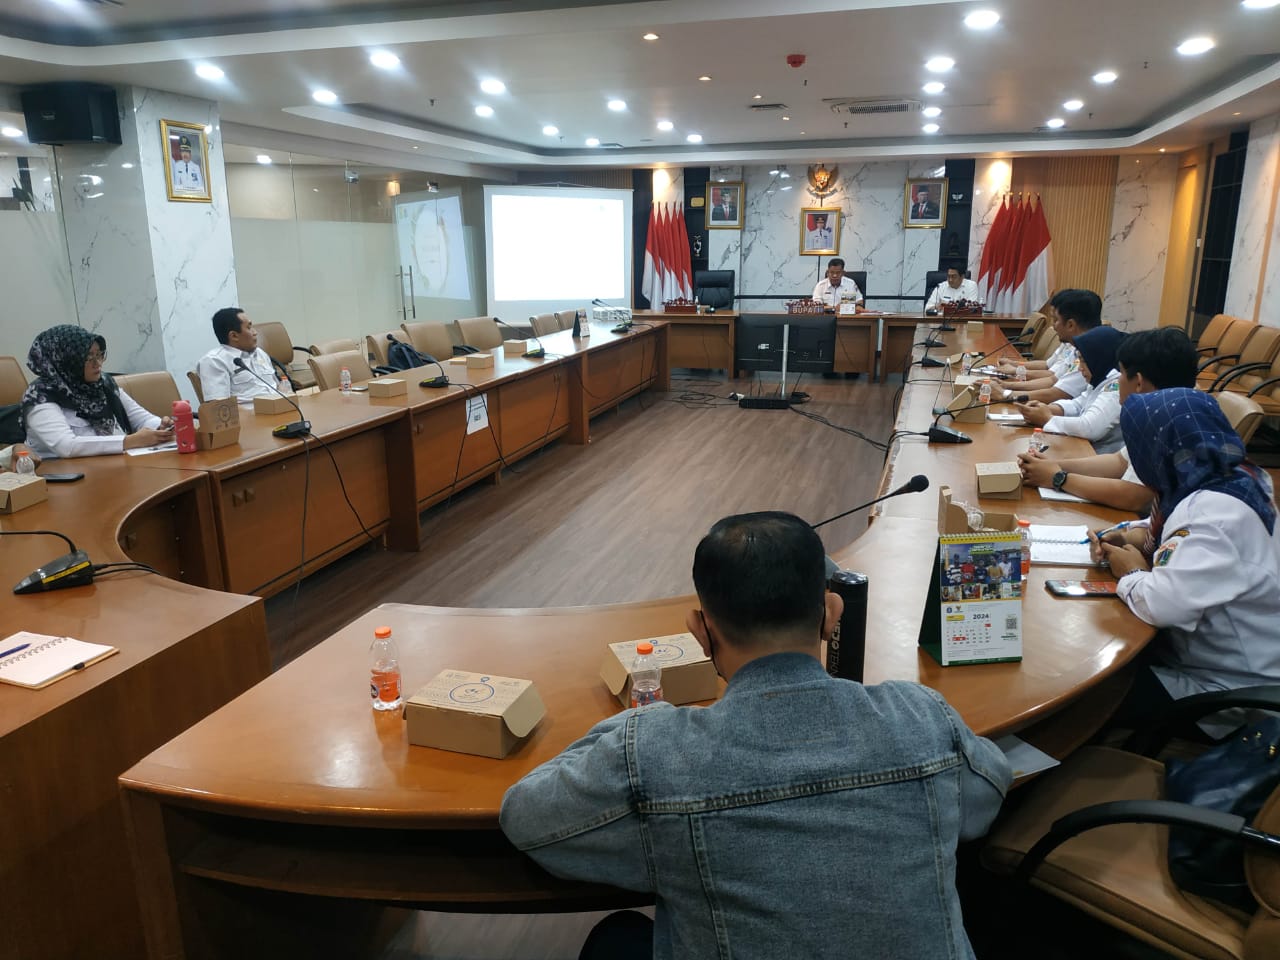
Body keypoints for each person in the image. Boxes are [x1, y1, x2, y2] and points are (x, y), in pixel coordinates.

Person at [500, 511, 1011, 960]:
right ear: (831, 615)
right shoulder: (920, 716)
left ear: (700, 632)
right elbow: (987, 795)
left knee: (616, 937)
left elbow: (526, 817)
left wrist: (633, 729)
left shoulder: (657, 755)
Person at [1090, 389, 1280, 736]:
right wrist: (1128, 534)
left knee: (1091, 691)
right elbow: (1175, 529)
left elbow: (1162, 605)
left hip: (1228, 691)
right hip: (1212, 654)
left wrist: (1131, 571)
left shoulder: (1215, 516)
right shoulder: (1230, 475)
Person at [1018, 327, 1198, 510]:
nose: (1117, 380)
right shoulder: (1167, 409)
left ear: (1138, 382)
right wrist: (1053, 465)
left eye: (1121, 373)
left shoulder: (1171, 422)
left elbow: (1133, 496)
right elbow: (1119, 462)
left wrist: (1058, 478)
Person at [20, 325, 173, 459]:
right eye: (89, 357)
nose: (97, 363)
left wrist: (161, 427)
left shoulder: (103, 383)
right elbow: (67, 446)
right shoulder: (39, 395)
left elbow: (141, 419)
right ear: (67, 359)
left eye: (99, 354)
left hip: (117, 465)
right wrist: (130, 441)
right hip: (68, 476)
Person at [1014, 325, 1127, 454]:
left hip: (1097, 455)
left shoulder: (1116, 386)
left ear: (1100, 358)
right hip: (1081, 448)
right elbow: (1077, 405)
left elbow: (1089, 427)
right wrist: (1046, 409)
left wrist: (1047, 418)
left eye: (1084, 361)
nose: (1080, 368)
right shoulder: (1099, 378)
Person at [999, 288, 1102, 403]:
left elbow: (1057, 393)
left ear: (1070, 325)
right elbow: (1053, 379)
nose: (1053, 326)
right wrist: (1006, 385)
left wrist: (1005, 393)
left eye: (1055, 320)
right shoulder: (1076, 346)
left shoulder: (1092, 354)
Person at [197, 307, 281, 403]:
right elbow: (220, 406)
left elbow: (278, 386)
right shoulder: (214, 361)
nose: (255, 332)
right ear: (234, 336)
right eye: (249, 328)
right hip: (251, 411)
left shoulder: (259, 353)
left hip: (280, 407)